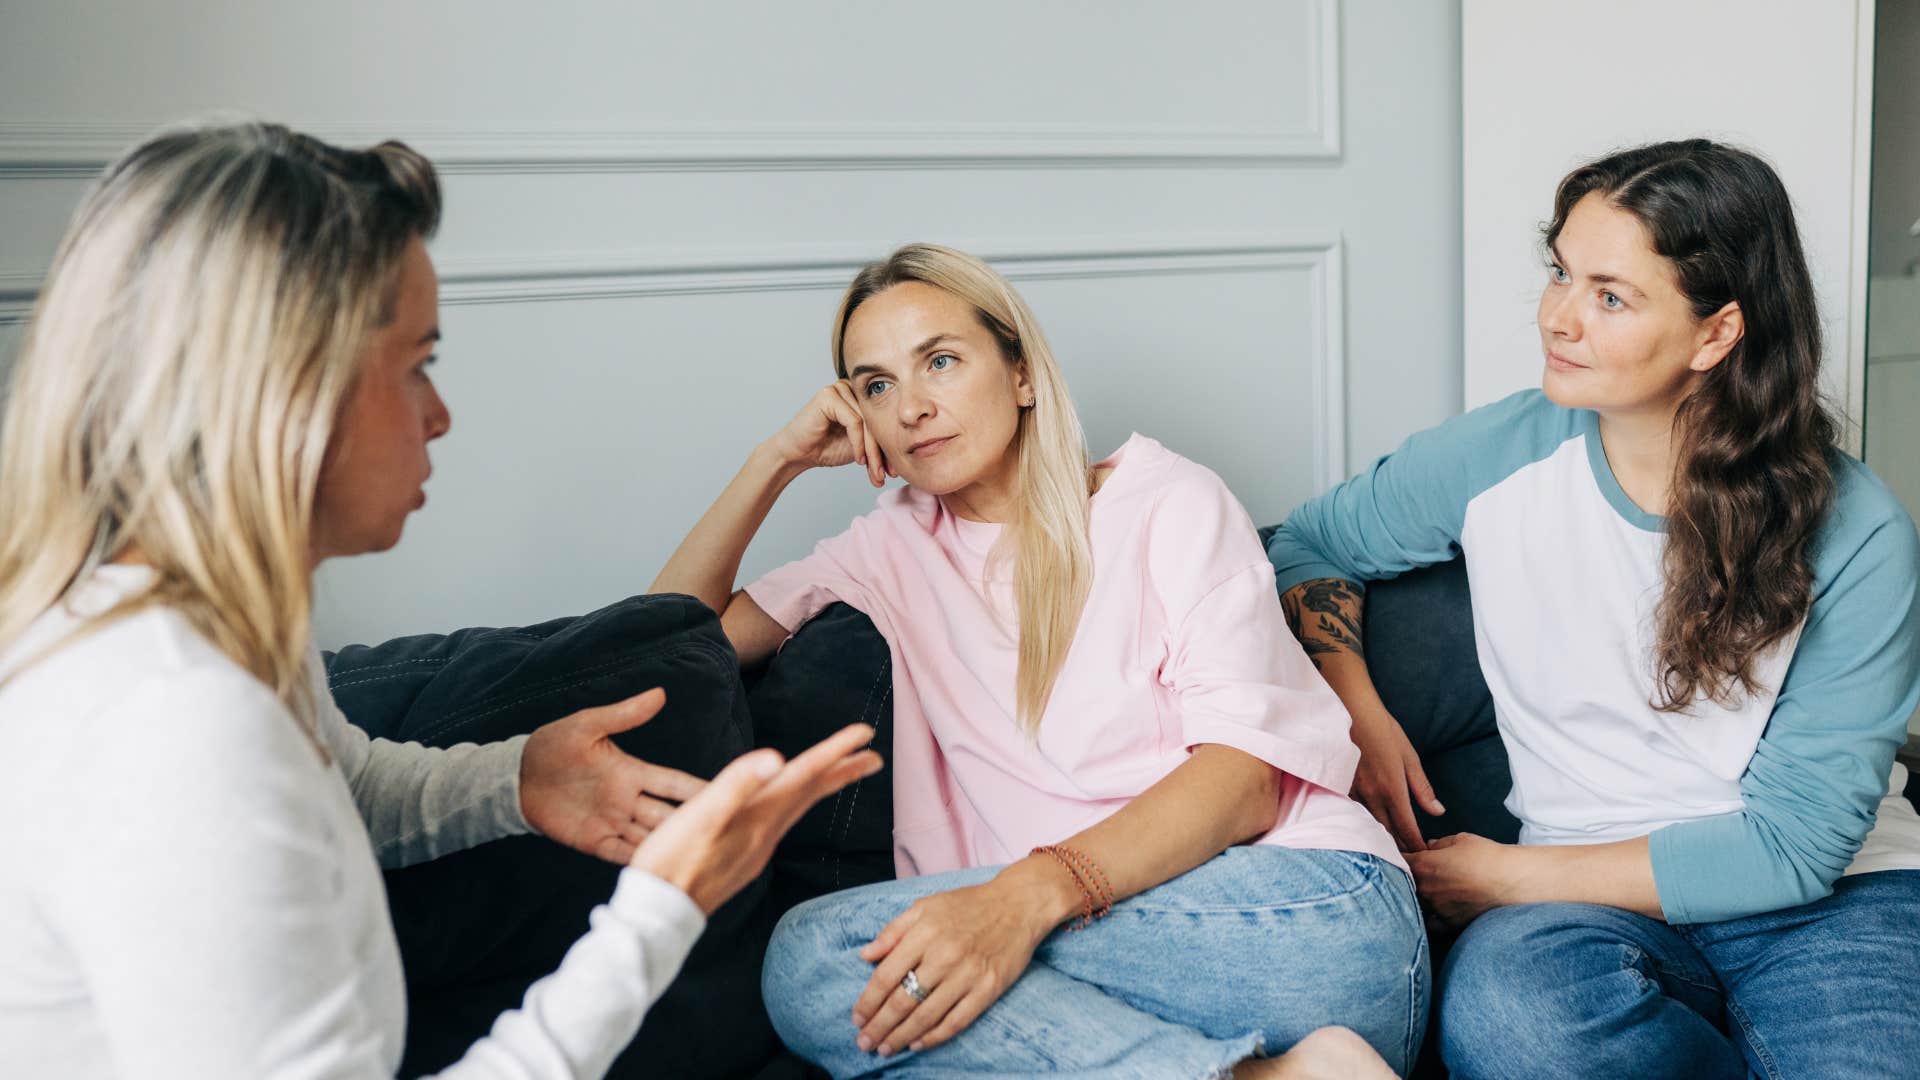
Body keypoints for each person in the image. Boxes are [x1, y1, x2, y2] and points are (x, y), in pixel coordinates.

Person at [0, 121, 881, 1079]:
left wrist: (514, 779)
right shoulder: (173, 725)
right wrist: (661, 913)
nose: (441, 414)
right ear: (286, 391)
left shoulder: (212, 627)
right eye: (417, 362)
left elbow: (346, 788)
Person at [651, 243, 1427, 1077]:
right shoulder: (887, 549)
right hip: (1117, 954)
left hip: (1306, 912)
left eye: (940, 361)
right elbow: (662, 651)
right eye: (877, 385)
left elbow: (1246, 781)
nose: (911, 407)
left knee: (823, 953)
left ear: (1020, 374)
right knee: (824, 968)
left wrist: (1022, 901)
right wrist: (778, 460)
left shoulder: (1169, 503)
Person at [1266, 139, 1920, 1079]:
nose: (1557, 318)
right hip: (1585, 908)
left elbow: (1795, 849)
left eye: (1609, 296)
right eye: (1561, 274)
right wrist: (1358, 715)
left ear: (1716, 333)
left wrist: (1502, 877)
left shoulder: (1858, 530)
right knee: (1514, 1022)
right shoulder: (1502, 450)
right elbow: (1313, 545)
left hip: (1832, 904)